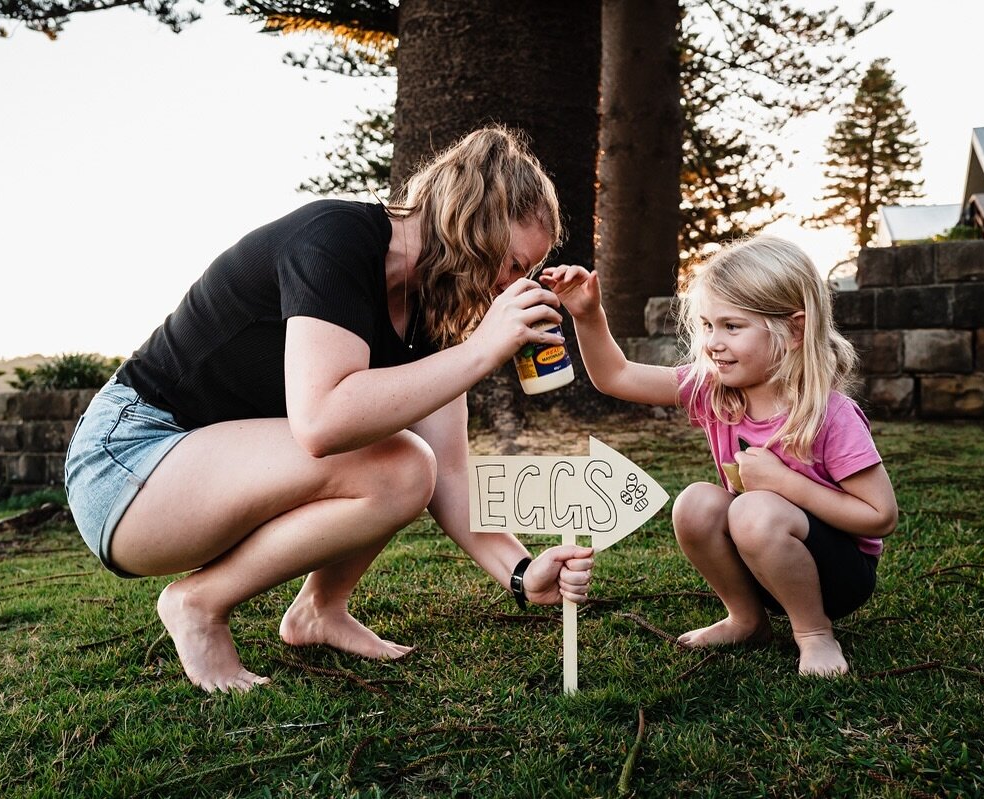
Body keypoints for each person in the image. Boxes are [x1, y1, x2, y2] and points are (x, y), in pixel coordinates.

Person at [64, 126, 596, 693]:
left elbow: (450, 471)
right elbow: (322, 422)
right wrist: (483, 349)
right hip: (128, 464)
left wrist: (519, 575)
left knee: (408, 466)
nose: (509, 288)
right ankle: (198, 603)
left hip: (209, 476)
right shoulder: (334, 238)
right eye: (513, 265)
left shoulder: (435, 312)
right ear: (474, 222)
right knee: (398, 460)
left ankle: (320, 610)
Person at [542, 237, 897, 676]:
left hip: (838, 575)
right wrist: (587, 313)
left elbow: (880, 517)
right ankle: (747, 620)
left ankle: (813, 633)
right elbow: (617, 376)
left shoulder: (829, 415)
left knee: (754, 508)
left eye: (732, 326)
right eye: (708, 325)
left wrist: (785, 483)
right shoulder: (713, 390)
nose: (713, 342)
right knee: (695, 502)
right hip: (760, 563)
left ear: (793, 330)